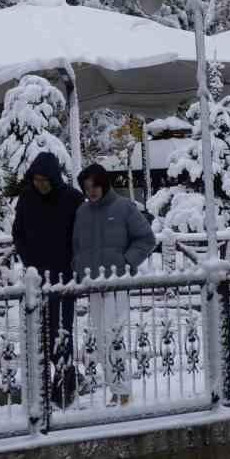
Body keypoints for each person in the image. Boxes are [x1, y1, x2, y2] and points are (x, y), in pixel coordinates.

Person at [72, 163, 156, 406]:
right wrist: (78, 267)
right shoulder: (82, 212)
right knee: (99, 339)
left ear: (104, 184)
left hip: (116, 284)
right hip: (93, 286)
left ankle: (123, 391)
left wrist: (126, 262)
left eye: (95, 185)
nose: (92, 191)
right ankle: (115, 390)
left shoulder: (124, 207)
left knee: (114, 337)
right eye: (87, 187)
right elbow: (76, 245)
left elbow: (147, 238)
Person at [12, 151, 83, 405]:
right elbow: (17, 232)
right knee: (39, 329)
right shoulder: (27, 198)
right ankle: (45, 382)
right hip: (37, 277)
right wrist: (28, 260)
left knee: (61, 329)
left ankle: (65, 380)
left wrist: (76, 263)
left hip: (63, 276)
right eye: (36, 180)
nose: (39, 184)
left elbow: (82, 234)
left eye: (44, 180)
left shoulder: (72, 199)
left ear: (54, 178)